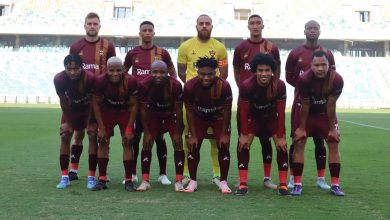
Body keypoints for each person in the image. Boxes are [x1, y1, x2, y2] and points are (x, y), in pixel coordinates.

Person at [177, 14, 228, 187]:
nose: (204, 26)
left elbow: (224, 73)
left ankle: (217, 174)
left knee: (216, 139)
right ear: (196, 26)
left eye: (207, 24)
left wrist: (212, 90)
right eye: (201, 24)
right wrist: (195, 89)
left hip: (214, 102)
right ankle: (186, 174)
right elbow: (181, 71)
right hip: (193, 101)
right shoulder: (185, 46)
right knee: (189, 138)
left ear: (212, 26)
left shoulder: (220, 47)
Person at [124, 21, 177, 185]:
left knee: (159, 138)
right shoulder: (132, 53)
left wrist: (169, 96)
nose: (147, 33)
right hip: (139, 104)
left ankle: (163, 174)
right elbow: (123, 74)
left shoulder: (163, 53)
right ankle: (133, 174)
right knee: (136, 138)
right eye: (144, 30)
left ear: (154, 33)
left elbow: (173, 74)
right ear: (140, 33)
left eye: (150, 30)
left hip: (158, 105)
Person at [285, 20, 336, 189]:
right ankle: (293, 178)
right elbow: (289, 77)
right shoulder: (295, 53)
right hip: (301, 103)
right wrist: (305, 87)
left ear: (320, 31)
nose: (312, 31)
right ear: (304, 31)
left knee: (320, 142)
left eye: (315, 28)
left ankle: (321, 179)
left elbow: (332, 77)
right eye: (309, 28)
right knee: (297, 140)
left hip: (321, 107)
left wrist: (318, 91)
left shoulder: (327, 53)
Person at [233, 14, 281, 190]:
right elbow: (237, 69)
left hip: (267, 103)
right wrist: (244, 88)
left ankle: (267, 178)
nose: (255, 26)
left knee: (266, 140)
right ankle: (242, 179)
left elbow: (276, 69)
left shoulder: (271, 47)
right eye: (252, 23)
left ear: (263, 25)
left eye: (258, 23)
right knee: (243, 139)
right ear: (248, 26)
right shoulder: (241, 48)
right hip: (247, 102)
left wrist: (272, 90)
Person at [68, 12, 116, 185]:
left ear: (99, 26)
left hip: (101, 97)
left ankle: (102, 172)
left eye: (95, 23)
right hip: (81, 98)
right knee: (78, 132)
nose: (92, 26)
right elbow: (71, 70)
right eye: (89, 23)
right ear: (84, 26)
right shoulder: (76, 46)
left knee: (100, 135)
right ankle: (73, 169)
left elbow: (113, 70)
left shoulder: (108, 46)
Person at [291, 51, 344, 196]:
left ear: (329, 65)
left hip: (324, 115)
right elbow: (305, 104)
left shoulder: (337, 79)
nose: (320, 68)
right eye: (316, 65)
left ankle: (335, 184)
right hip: (306, 114)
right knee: (299, 142)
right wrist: (301, 128)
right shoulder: (304, 79)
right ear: (311, 66)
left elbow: (331, 105)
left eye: (323, 65)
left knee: (333, 142)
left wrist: (333, 128)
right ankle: (297, 184)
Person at [236, 53, 289, 196]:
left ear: (272, 71)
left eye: (267, 70)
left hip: (271, 118)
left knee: (282, 145)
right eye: (260, 70)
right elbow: (243, 112)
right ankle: (242, 183)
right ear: (254, 71)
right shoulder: (246, 86)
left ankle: (283, 185)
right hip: (253, 119)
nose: (264, 74)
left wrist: (281, 135)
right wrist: (244, 134)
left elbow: (281, 113)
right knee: (243, 144)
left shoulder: (279, 85)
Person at [183, 56, 232, 194]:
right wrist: (192, 134)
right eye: (202, 74)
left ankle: (223, 182)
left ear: (216, 72)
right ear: (197, 72)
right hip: (199, 118)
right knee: (193, 145)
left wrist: (224, 134)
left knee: (223, 145)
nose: (206, 78)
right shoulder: (189, 86)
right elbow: (190, 111)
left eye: (210, 74)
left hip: (219, 118)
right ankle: (193, 181)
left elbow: (227, 111)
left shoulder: (224, 86)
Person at [90, 57, 138, 192]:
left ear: (123, 69)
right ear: (106, 70)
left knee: (128, 142)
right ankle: (102, 179)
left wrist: (129, 128)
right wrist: (101, 127)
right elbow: (96, 104)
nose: (115, 73)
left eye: (118, 70)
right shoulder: (100, 81)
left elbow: (134, 106)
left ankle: (128, 180)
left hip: (125, 112)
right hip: (107, 112)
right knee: (103, 142)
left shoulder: (131, 81)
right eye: (112, 70)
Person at [136, 60, 185, 192]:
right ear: (150, 73)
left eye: (162, 72)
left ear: (167, 73)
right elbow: (143, 110)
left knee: (177, 142)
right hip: (153, 115)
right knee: (147, 142)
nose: (158, 75)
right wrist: (146, 132)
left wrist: (178, 131)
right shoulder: (144, 85)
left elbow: (179, 109)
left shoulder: (175, 85)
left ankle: (179, 181)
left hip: (170, 114)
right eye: (155, 72)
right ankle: (145, 181)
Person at [54, 54, 95, 189]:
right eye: (69, 68)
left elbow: (92, 103)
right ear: (64, 68)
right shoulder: (59, 79)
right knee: (65, 134)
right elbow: (63, 100)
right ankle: (65, 177)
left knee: (92, 134)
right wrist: (68, 121)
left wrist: (89, 122)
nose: (72, 72)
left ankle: (91, 177)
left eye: (76, 69)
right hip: (71, 109)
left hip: (87, 109)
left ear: (82, 67)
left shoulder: (90, 78)